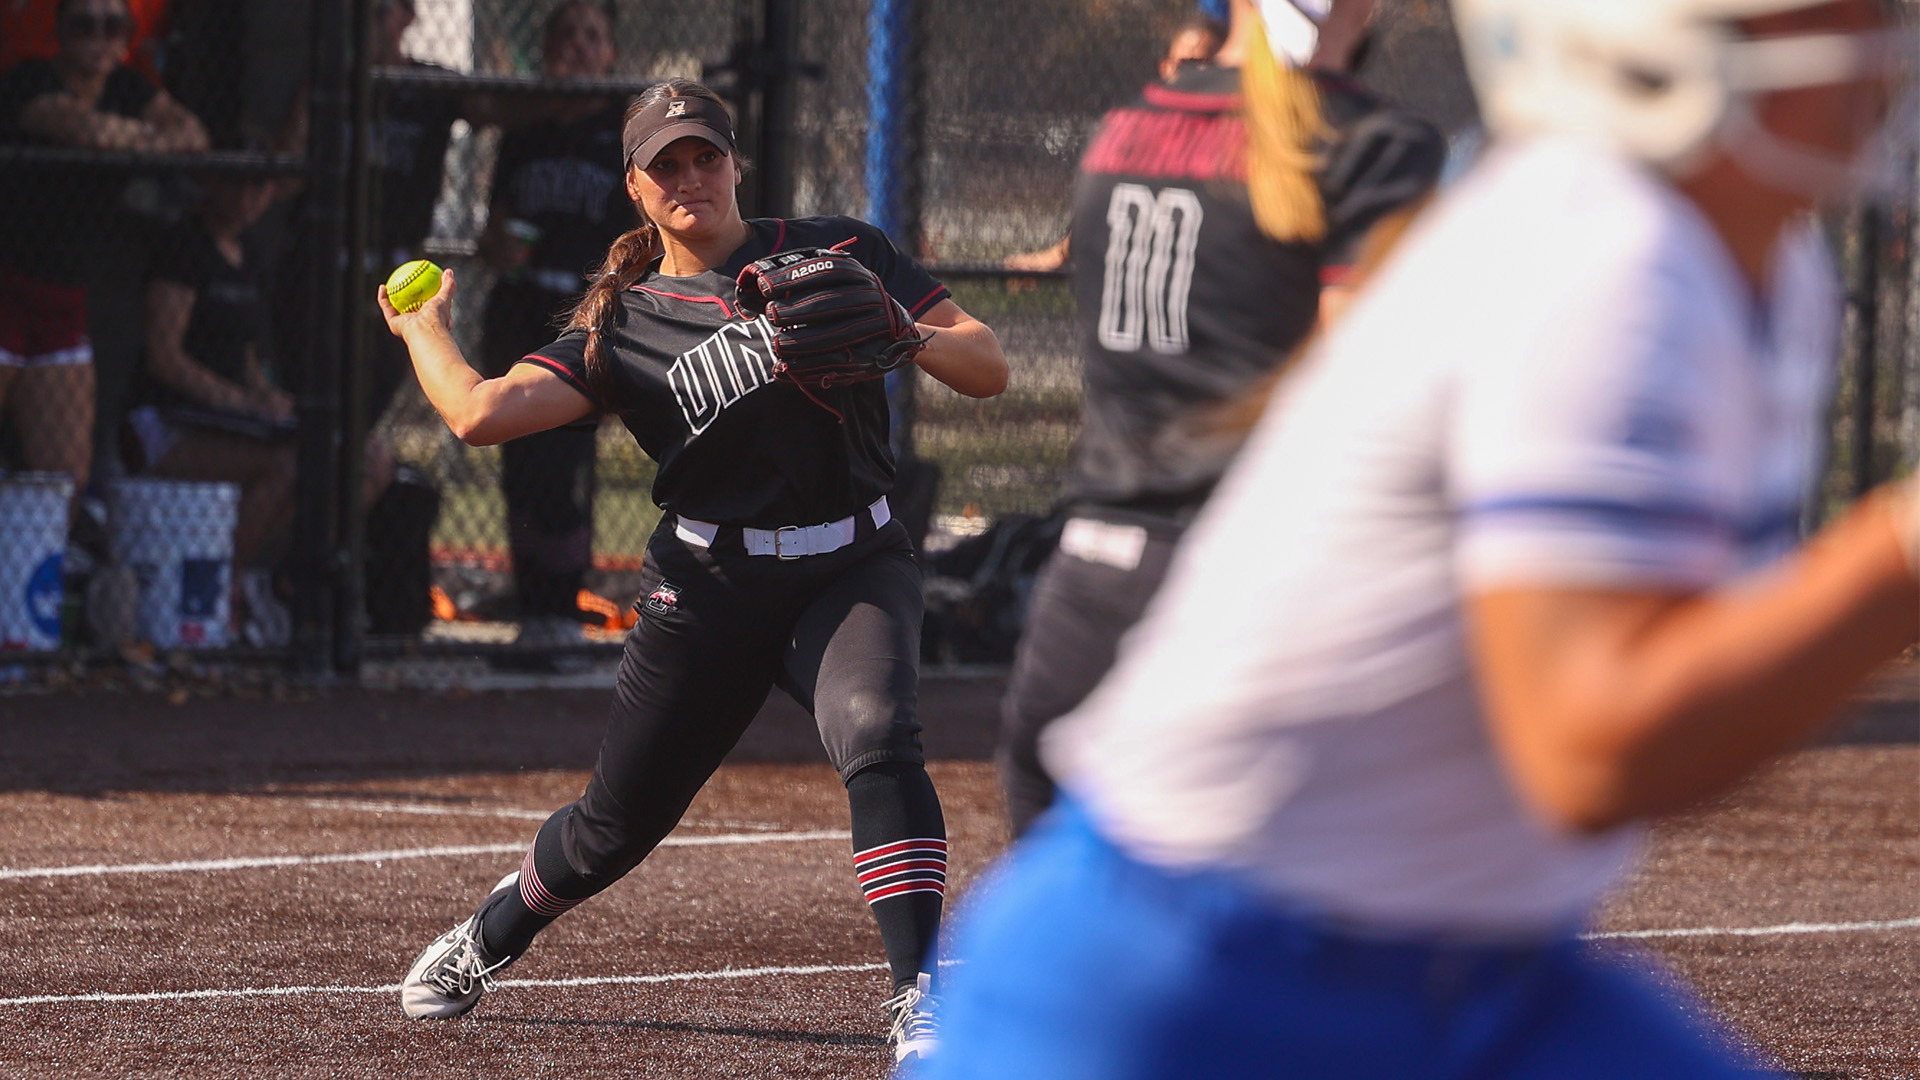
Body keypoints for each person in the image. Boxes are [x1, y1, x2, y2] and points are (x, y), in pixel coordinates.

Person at [925, 0, 1920, 1077]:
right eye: (1840, 20)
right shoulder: (1611, 253)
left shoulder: (1773, 266)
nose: (1886, 47)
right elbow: (1592, 747)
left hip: (1476, 970)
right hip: (1187, 980)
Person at [379, 79, 1008, 1065]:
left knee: (879, 735)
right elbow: (480, 415)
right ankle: (488, 937)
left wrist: (904, 328)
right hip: (708, 591)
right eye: (665, 165)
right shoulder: (626, 325)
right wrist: (424, 328)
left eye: (705, 155)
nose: (690, 178)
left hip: (854, 561)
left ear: (736, 162)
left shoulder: (844, 251)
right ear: (635, 187)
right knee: (610, 829)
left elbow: (988, 363)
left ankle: (919, 997)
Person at [996, 0, 1443, 836]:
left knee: (1071, 926)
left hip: (1092, 573)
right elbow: (1368, 396)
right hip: (1257, 583)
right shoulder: (1368, 140)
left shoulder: (1126, 125)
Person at [0, 0, 206, 502]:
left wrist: (129, 140)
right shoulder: (31, 79)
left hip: (64, 297)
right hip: (7, 285)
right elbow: (85, 129)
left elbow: (192, 135)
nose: (99, 40)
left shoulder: (128, 88)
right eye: (84, 25)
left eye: (114, 27)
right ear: (61, 31)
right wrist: (144, 139)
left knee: (65, 479)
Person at [474, 0, 631, 656]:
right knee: (519, 464)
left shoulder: (621, 134)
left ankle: (560, 611)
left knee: (563, 462)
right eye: (564, 35)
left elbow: (641, 246)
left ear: (609, 54)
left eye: (590, 36)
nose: (576, 47)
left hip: (583, 315)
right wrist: (498, 245)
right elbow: (494, 228)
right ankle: (531, 607)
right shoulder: (526, 131)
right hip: (517, 309)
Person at [126, 170, 296, 646]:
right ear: (213, 183)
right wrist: (241, 403)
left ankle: (262, 579)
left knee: (350, 462)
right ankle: (230, 585)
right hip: (161, 422)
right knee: (285, 464)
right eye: (238, 182)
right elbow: (164, 358)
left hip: (229, 420)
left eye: (260, 185)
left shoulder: (251, 256)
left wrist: (264, 397)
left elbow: (245, 356)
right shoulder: (184, 247)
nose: (249, 196)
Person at [1001, 11, 1231, 277]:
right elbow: (1104, 204)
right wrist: (1057, 255)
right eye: (1185, 64)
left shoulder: (1245, 137)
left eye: (1206, 64)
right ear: (1165, 67)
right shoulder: (1136, 135)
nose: (1195, 74)